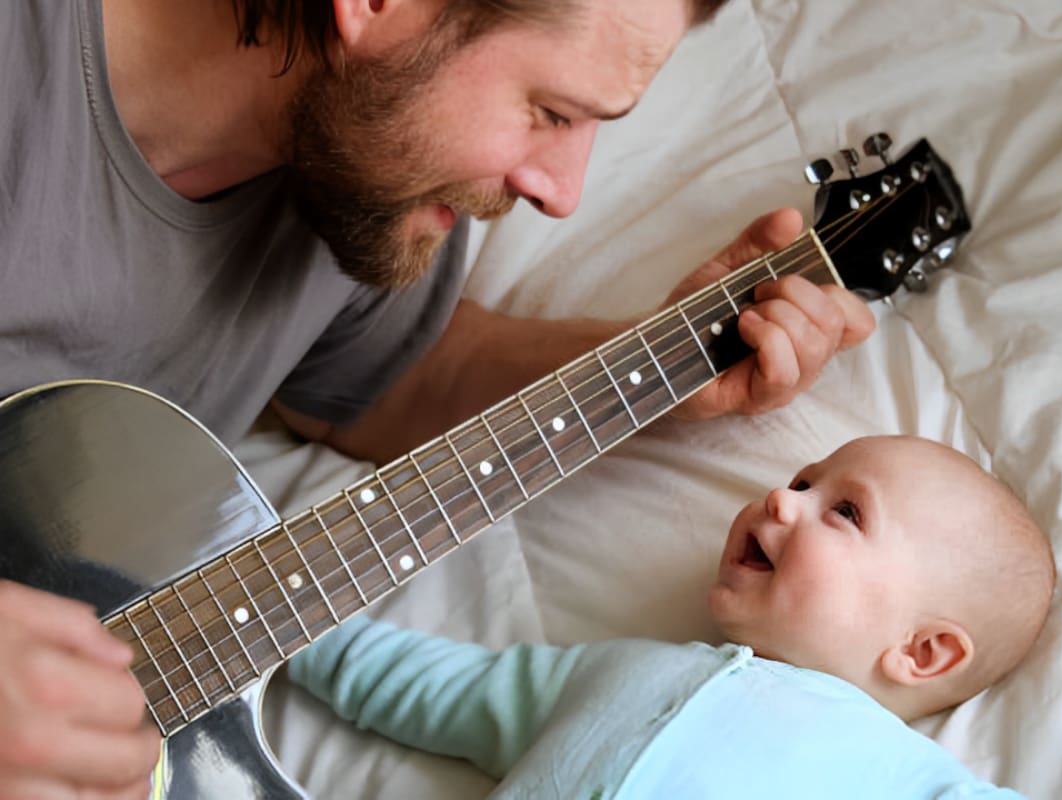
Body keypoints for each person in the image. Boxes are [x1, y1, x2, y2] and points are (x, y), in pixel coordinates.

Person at [0, 0, 877, 796]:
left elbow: (392, 385)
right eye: (552, 112)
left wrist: (660, 363)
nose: (562, 192)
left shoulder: (358, 182)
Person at [290, 435, 1062, 798]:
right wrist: (287, 622)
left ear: (922, 651)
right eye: (803, 479)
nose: (783, 496)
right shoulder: (611, 668)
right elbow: (437, 687)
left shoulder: (901, 778)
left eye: (842, 510)